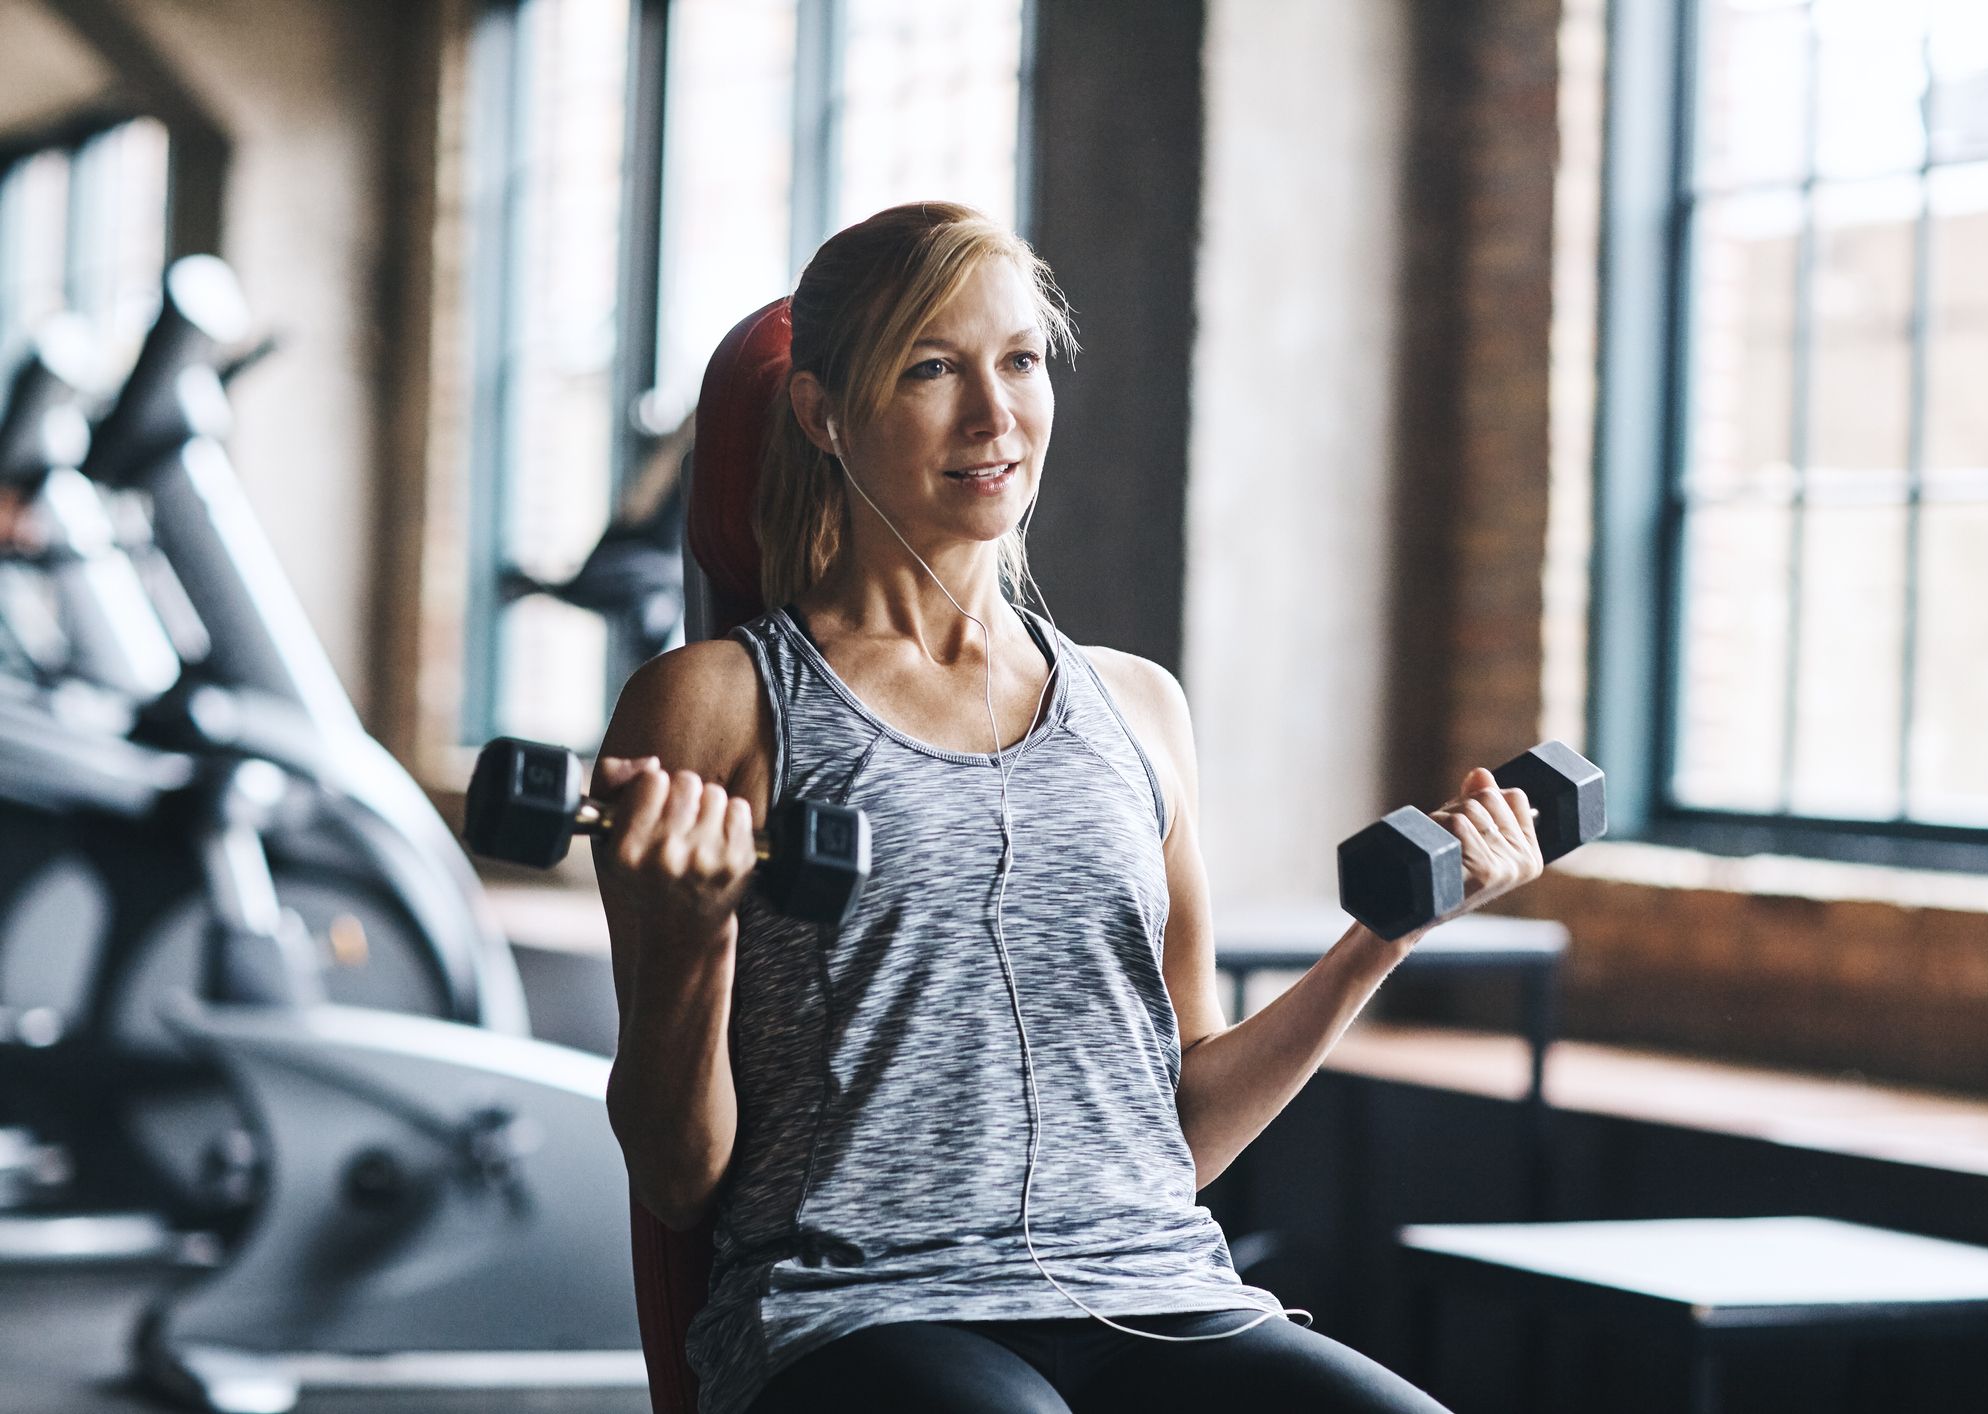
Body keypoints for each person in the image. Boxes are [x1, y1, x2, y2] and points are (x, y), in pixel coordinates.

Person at [590, 201, 1542, 1414]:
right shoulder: (717, 708)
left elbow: (1179, 1130)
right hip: (857, 1310)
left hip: (1159, 1294)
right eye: (933, 368)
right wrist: (692, 940)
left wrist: (1385, 938)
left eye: (1022, 361)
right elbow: (679, 1182)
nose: (996, 417)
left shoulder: (1139, 708)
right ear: (824, 413)